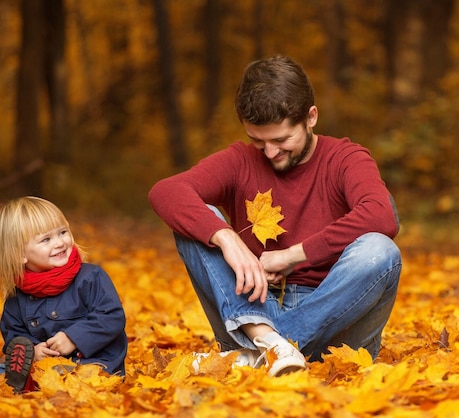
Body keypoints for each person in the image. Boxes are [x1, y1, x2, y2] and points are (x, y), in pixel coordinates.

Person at [148, 55, 402, 377]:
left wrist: (293, 256)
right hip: (255, 309)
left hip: (339, 323)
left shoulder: (346, 158)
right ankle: (268, 345)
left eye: (281, 140)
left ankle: (256, 354)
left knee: (380, 251)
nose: (270, 153)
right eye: (258, 141)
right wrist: (227, 239)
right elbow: (165, 192)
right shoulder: (239, 161)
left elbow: (381, 216)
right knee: (199, 222)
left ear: (311, 117)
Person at [0, 196, 128, 393]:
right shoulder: (17, 297)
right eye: (46, 239)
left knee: (77, 378)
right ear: (19, 254)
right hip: (47, 365)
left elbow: (111, 316)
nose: (59, 243)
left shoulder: (90, 277)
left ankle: (37, 383)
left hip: (95, 362)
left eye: (63, 232)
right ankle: (24, 380)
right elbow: (13, 332)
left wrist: (74, 338)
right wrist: (33, 350)